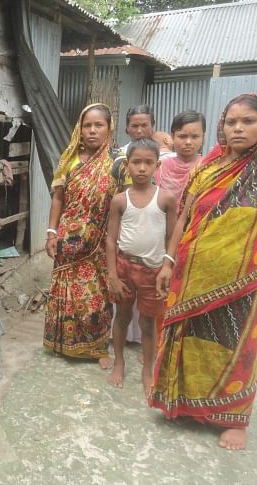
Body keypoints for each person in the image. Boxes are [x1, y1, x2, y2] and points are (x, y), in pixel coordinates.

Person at [151, 94, 257, 451]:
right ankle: (183, 403)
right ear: (222, 126)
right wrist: (168, 261)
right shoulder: (207, 169)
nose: (238, 128)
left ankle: (235, 418)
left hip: (242, 286)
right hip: (190, 279)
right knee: (188, 341)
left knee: (234, 346)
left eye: (248, 121)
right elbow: (184, 218)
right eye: (231, 122)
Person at [44, 104, 117, 367]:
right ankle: (62, 343)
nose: (92, 131)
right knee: (66, 292)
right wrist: (52, 232)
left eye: (99, 125)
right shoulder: (69, 159)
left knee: (96, 295)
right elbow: (58, 200)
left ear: (109, 128)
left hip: (100, 242)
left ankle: (97, 348)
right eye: (87, 125)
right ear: (80, 129)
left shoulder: (116, 163)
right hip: (67, 240)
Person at [105, 138, 177, 393]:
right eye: (136, 162)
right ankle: (119, 362)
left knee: (148, 323)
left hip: (152, 271)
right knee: (122, 316)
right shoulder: (119, 200)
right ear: (127, 165)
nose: (142, 168)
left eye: (148, 163)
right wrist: (112, 274)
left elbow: (171, 238)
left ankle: (148, 369)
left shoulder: (166, 199)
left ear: (157, 165)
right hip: (125, 267)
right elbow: (111, 240)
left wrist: (168, 268)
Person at [111, 104, 157, 347]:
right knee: (125, 294)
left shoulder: (161, 156)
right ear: (127, 129)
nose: (140, 130)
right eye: (135, 125)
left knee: (148, 295)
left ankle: (143, 341)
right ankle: (123, 338)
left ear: (152, 126)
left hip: (152, 231)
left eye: (144, 125)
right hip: (125, 225)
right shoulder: (119, 157)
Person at [155, 111, 206, 203]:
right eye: (182, 136)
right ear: (173, 136)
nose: (188, 142)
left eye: (195, 137)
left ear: (203, 137)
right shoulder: (160, 167)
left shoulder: (206, 168)